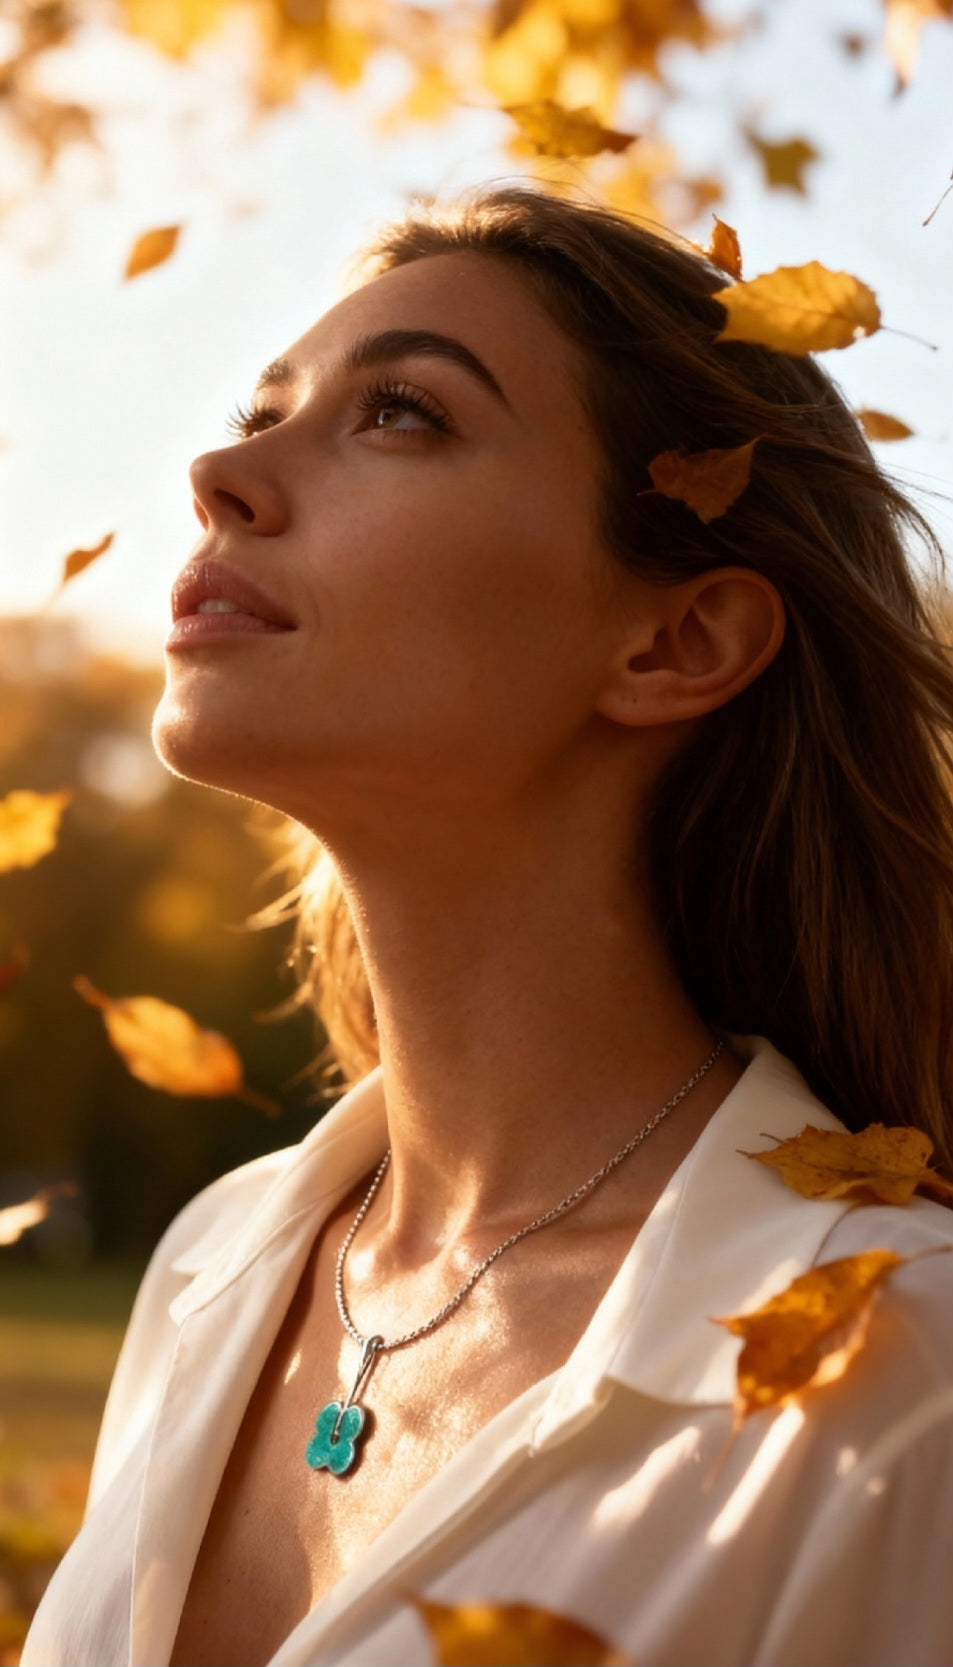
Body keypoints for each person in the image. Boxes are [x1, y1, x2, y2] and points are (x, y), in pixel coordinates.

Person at [21, 185, 953, 1667]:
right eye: (261, 409)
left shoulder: (895, 1381)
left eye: (398, 414)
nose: (220, 474)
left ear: (674, 639)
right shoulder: (217, 1261)